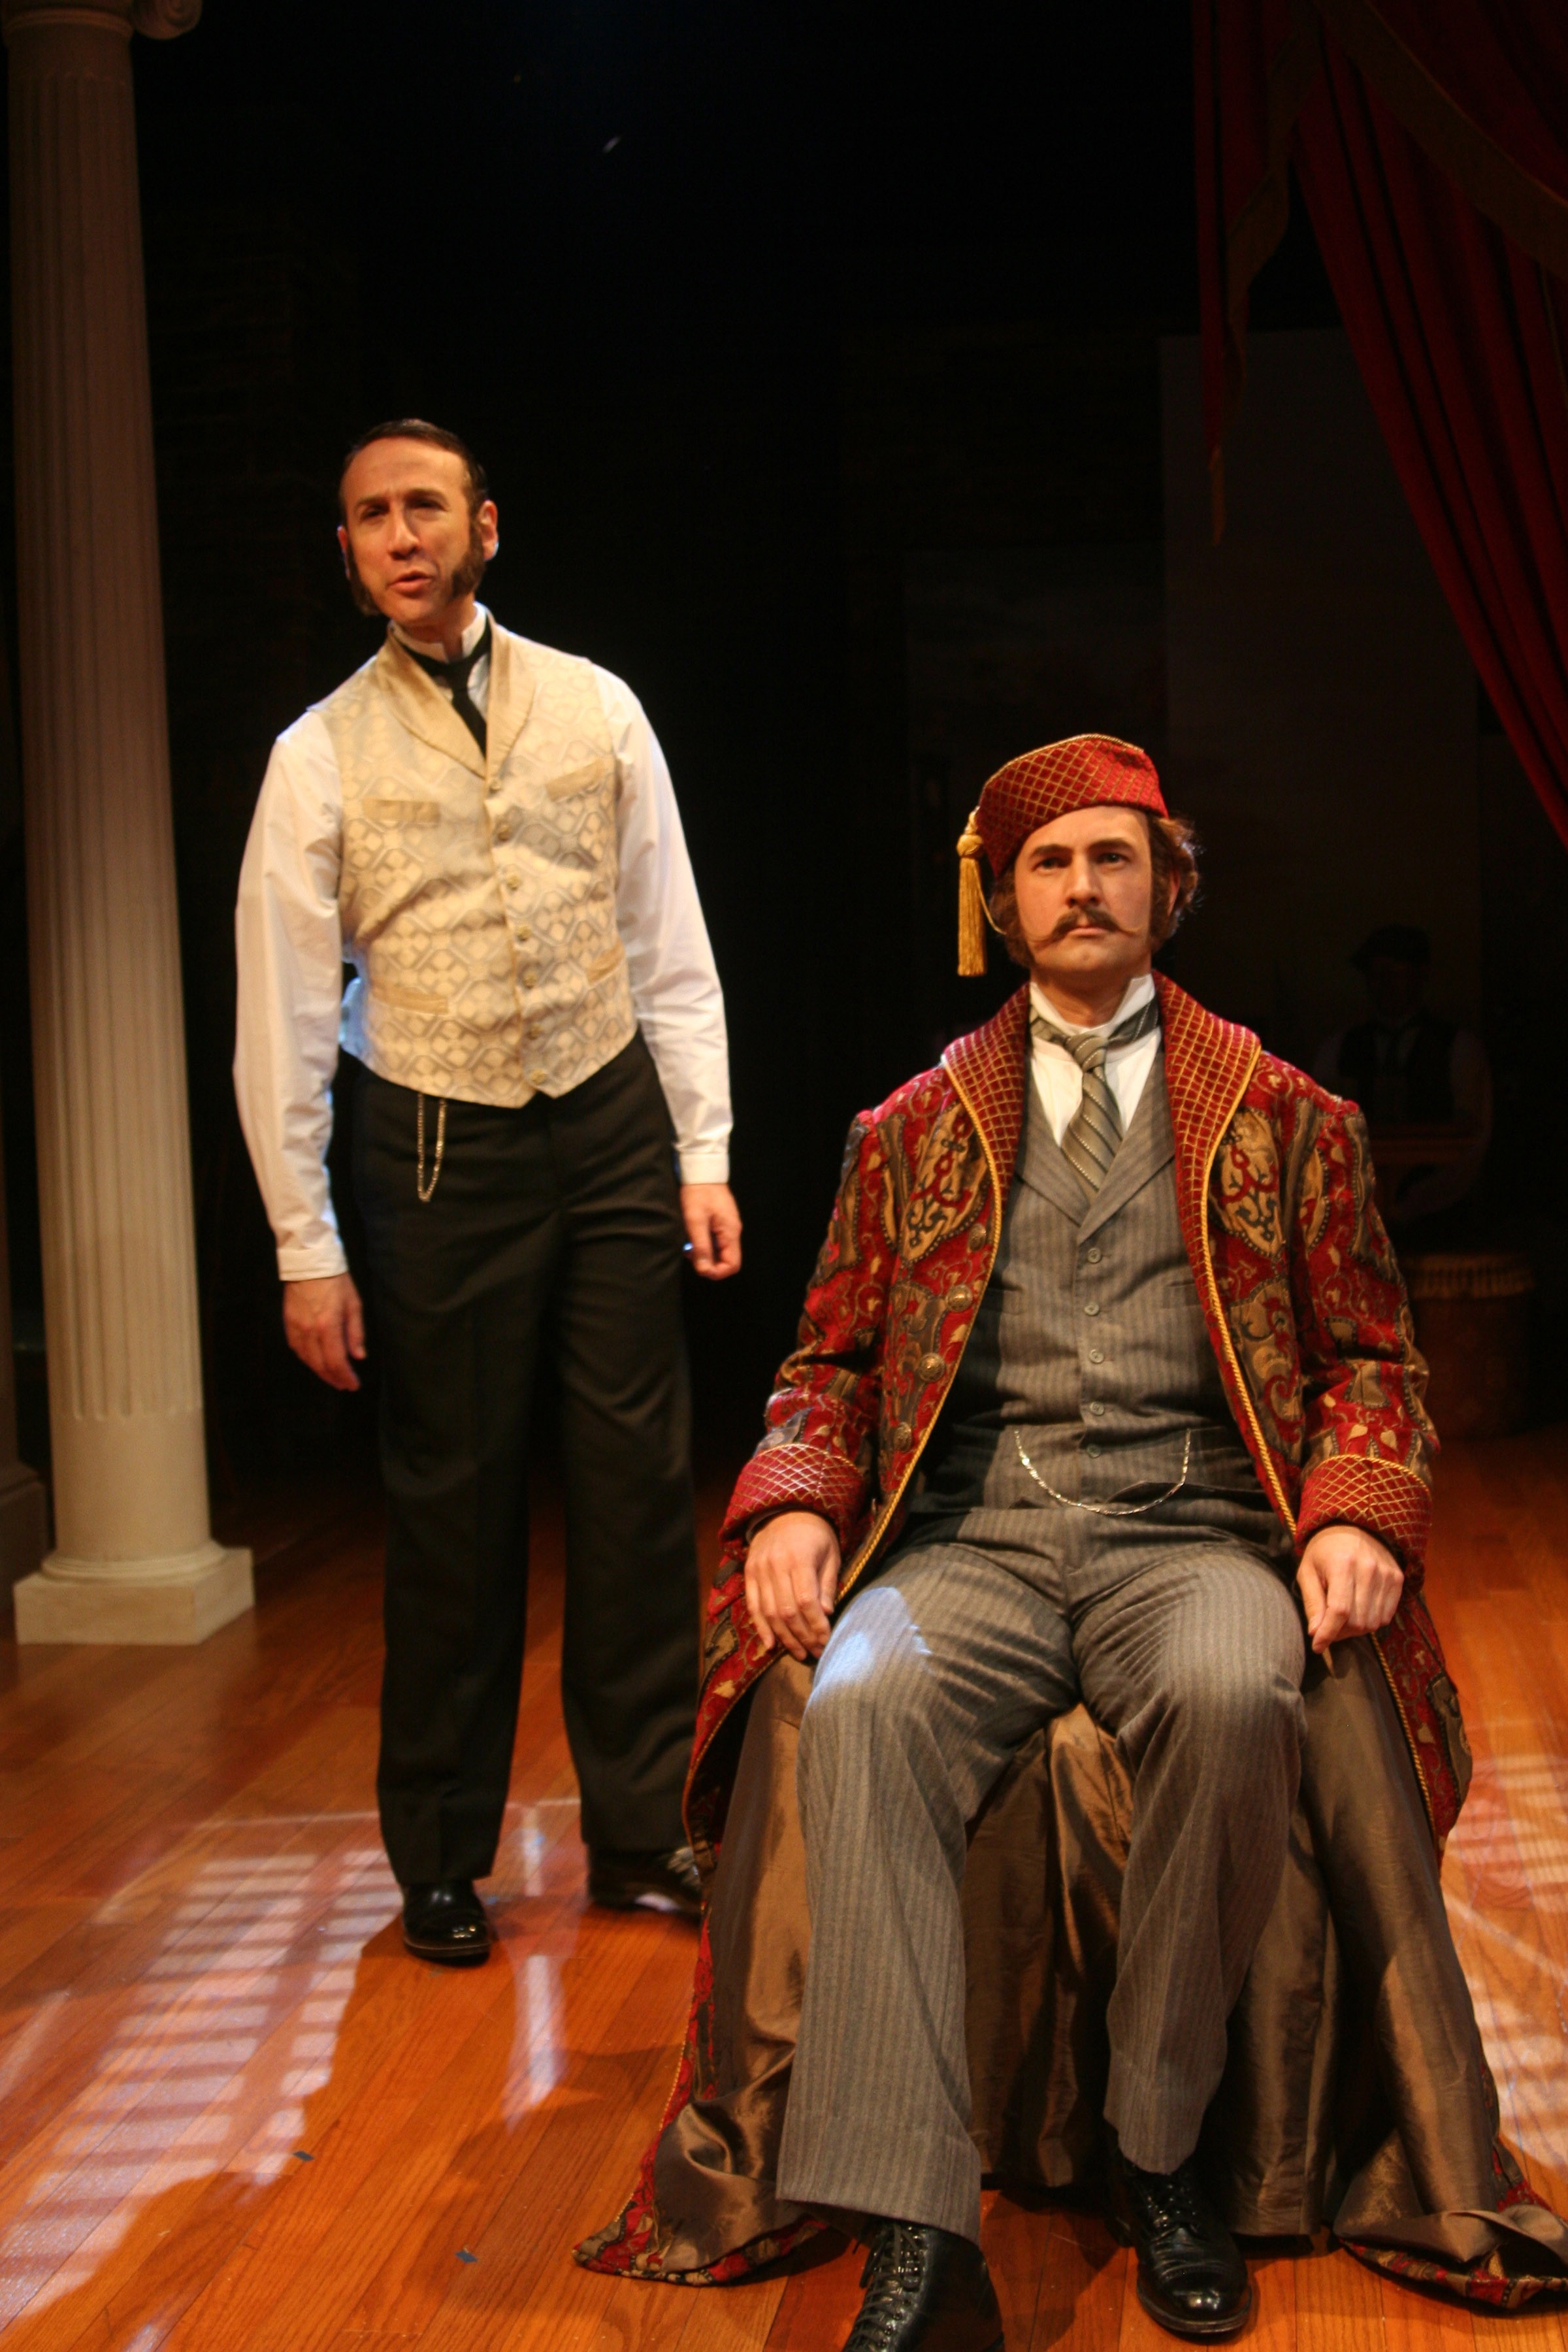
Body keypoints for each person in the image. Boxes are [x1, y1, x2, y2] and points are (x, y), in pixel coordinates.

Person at [579, 733, 1568, 2344]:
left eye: (1115, 857)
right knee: (860, 1704)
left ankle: (1157, 2144)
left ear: (1168, 888)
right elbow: (826, 1362)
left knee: (1237, 1694)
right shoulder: (909, 1129)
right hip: (972, 1538)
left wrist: (1355, 1512)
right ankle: (918, 2228)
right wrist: (795, 1497)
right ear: (1003, 902)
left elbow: (1371, 1362)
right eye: (1049, 862)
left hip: (1193, 1533)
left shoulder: (1285, 1116)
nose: (1083, 887)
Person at [235, 419, 740, 1966]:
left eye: (423, 507)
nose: (399, 535)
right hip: (435, 1141)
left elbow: (667, 939)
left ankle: (643, 1829)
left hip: (605, 1117)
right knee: (451, 1503)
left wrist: (702, 1151)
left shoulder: (596, 705)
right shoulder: (317, 752)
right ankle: (444, 1852)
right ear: (346, 550)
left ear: (485, 526)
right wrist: (305, 1244)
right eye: (369, 516)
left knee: (635, 1486)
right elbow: (283, 1013)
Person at [1313, 923, 1491, 1232]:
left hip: (1439, 1220)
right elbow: (1317, 1133)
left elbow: (1474, 1140)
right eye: (1375, 974)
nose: (1382, 984)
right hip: (1354, 1218)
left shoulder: (1459, 1049)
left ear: (1421, 975)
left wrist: (1413, 1203)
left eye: (1394, 973)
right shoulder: (1338, 1050)